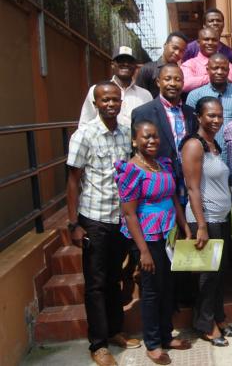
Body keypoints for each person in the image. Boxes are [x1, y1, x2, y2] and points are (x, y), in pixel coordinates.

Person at [66, 82, 139, 366]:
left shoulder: (125, 132)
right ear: (95, 103)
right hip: (94, 219)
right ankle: (98, 344)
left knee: (115, 277)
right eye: (104, 99)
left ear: (121, 101)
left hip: (119, 218)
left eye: (115, 99)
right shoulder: (84, 135)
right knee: (95, 283)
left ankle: (115, 330)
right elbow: (73, 180)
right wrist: (73, 224)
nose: (110, 103)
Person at [115, 120, 193, 364]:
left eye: (155, 137)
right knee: (151, 291)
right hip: (147, 238)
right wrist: (143, 251)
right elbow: (129, 214)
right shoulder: (131, 170)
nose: (152, 141)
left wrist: (184, 227)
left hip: (169, 234)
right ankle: (153, 343)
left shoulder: (163, 165)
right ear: (134, 141)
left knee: (168, 286)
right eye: (146, 137)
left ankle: (167, 334)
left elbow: (173, 198)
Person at [181, 97, 232, 346]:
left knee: (218, 273)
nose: (216, 120)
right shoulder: (194, 145)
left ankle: (219, 316)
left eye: (219, 115)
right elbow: (192, 188)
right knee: (207, 276)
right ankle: (206, 324)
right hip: (205, 220)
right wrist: (201, 226)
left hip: (220, 218)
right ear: (199, 117)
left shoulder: (214, 145)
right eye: (210, 115)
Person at [131, 64, 198, 202]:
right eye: (167, 79)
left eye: (177, 79)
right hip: (157, 185)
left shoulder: (191, 113)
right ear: (158, 82)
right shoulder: (143, 112)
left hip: (188, 183)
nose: (172, 83)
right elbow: (136, 153)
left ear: (183, 83)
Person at [186, 53, 232, 166]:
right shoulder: (195, 95)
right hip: (206, 156)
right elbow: (190, 127)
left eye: (224, 68)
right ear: (207, 69)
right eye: (215, 68)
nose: (220, 72)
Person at [79, 46, 152, 128]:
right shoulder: (96, 90)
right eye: (121, 61)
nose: (126, 64)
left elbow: (151, 123)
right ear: (113, 65)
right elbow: (85, 122)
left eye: (130, 61)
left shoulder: (145, 95)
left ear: (135, 66)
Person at [181, 27, 232, 93]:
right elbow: (184, 85)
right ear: (198, 43)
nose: (210, 43)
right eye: (206, 39)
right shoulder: (189, 64)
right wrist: (211, 78)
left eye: (214, 40)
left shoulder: (229, 66)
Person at [136, 32, 188, 98]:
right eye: (175, 48)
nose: (177, 53)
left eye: (182, 51)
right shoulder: (147, 69)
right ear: (165, 45)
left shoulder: (182, 72)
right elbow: (139, 97)